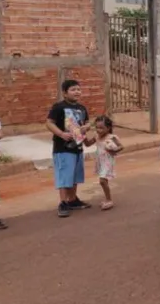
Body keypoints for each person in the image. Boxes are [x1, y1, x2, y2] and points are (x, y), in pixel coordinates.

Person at [46, 79, 93, 218]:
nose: (77, 92)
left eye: (78, 89)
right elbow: (49, 123)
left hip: (77, 147)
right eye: (73, 89)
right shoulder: (58, 107)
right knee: (64, 176)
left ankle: (72, 199)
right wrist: (61, 134)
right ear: (65, 93)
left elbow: (87, 123)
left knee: (74, 175)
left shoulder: (82, 108)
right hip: (62, 148)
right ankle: (63, 202)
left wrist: (87, 127)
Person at [84, 115, 123, 211]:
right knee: (103, 181)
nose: (98, 130)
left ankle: (109, 200)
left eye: (101, 128)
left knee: (102, 181)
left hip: (108, 162)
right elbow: (88, 144)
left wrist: (113, 151)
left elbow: (121, 146)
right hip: (100, 161)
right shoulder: (96, 136)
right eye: (97, 127)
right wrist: (83, 135)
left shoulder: (112, 137)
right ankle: (107, 199)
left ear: (108, 128)